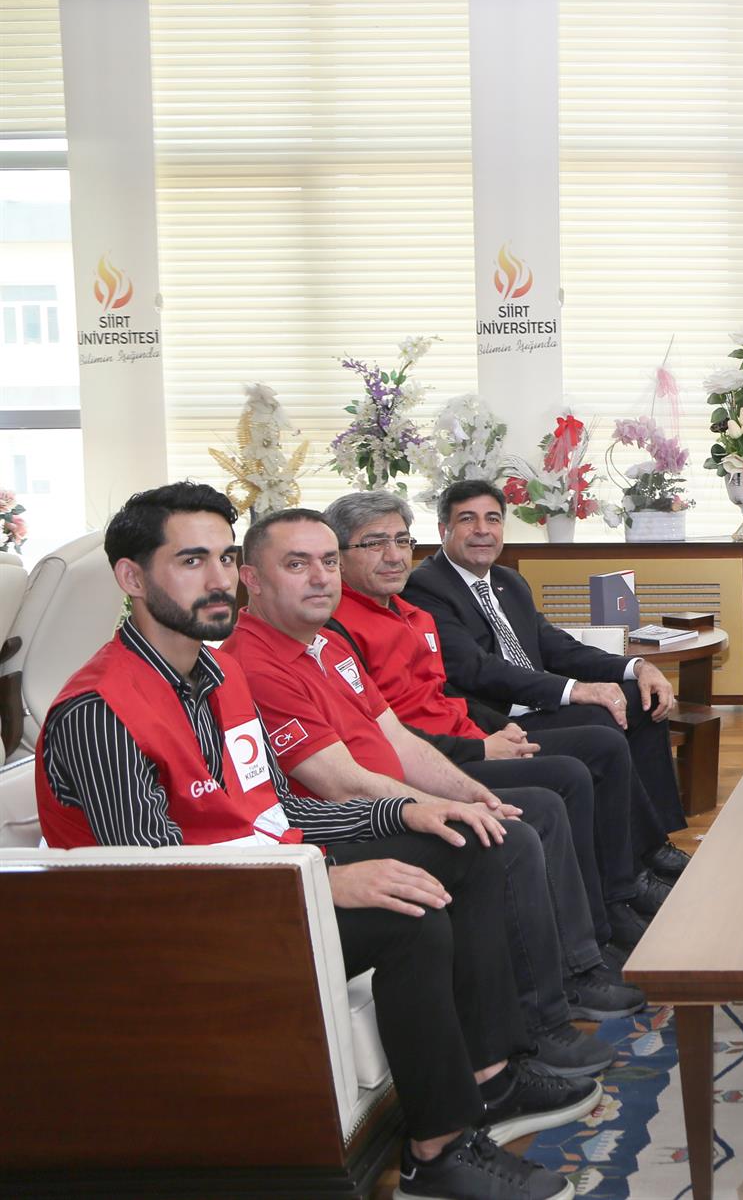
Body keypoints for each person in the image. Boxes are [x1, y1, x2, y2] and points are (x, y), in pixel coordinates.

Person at [34, 483, 591, 1200]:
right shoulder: (100, 709)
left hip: (264, 881)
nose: (218, 579)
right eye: (192, 560)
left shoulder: (216, 674)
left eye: (225, 558)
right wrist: (321, 881)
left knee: (469, 839)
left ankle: (489, 1082)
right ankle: (438, 1150)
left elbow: (275, 809)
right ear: (132, 578)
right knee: (408, 918)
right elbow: (160, 882)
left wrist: (403, 814)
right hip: (178, 934)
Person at [223, 508, 639, 1078]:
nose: (320, 577)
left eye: (326, 562)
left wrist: (472, 793)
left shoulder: (327, 645)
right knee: (510, 834)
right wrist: (436, 808)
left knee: (519, 807)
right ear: (251, 579)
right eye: (297, 564)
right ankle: (538, 1025)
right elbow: (339, 782)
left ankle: (575, 970)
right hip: (348, 824)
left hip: (392, 799)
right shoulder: (252, 662)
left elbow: (398, 739)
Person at [326, 490, 658, 960]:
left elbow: (445, 693)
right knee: (569, 772)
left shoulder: (412, 612)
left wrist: (496, 729)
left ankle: (619, 891)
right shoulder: (339, 628)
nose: (394, 555)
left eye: (401, 541)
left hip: (469, 737)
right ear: (338, 557)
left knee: (610, 729)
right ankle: (592, 939)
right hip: (434, 763)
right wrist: (482, 748)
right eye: (375, 543)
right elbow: (386, 732)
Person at [404, 479, 692, 898]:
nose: (482, 530)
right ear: (442, 529)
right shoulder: (426, 587)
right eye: (467, 519)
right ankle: (629, 870)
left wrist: (635, 667)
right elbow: (476, 669)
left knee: (640, 700)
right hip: (498, 722)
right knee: (600, 719)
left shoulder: (507, 581)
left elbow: (555, 646)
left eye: (492, 519)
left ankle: (655, 843)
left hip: (538, 704)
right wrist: (576, 690)